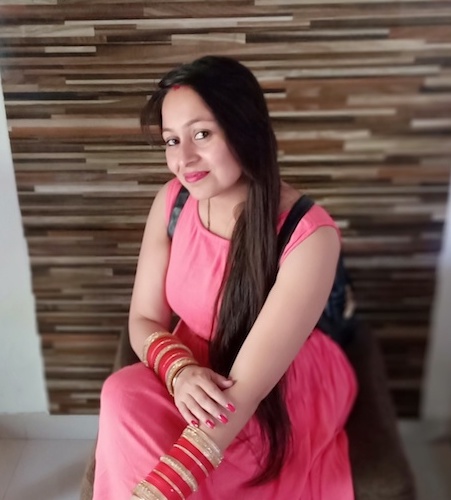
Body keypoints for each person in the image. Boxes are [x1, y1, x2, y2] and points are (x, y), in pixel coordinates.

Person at [92, 55, 357, 500]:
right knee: (120, 392)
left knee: (199, 471)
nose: (183, 159)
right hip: (194, 370)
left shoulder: (309, 235)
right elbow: (143, 319)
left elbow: (243, 394)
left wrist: (157, 492)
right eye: (172, 140)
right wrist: (180, 371)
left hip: (271, 387)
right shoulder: (173, 201)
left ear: (244, 129)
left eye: (202, 134)